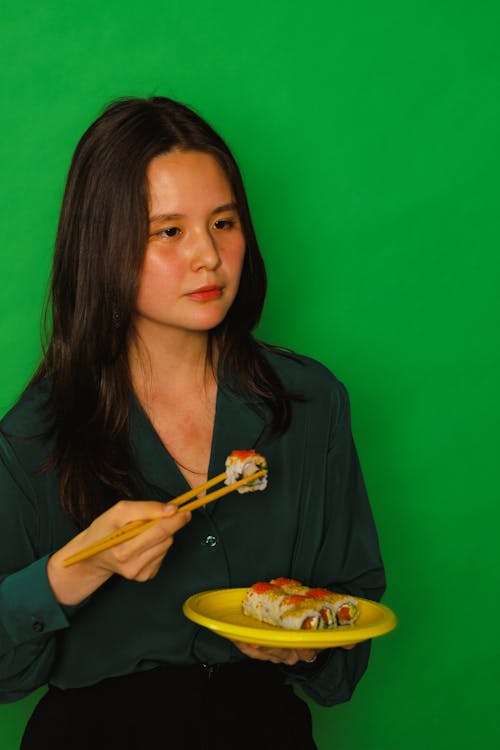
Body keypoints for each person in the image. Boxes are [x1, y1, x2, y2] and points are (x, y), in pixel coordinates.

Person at [0, 96, 386, 749]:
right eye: (168, 231)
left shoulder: (311, 404)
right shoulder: (35, 432)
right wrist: (76, 569)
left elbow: (349, 628)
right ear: (102, 245)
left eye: (224, 223)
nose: (208, 256)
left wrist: (304, 644)